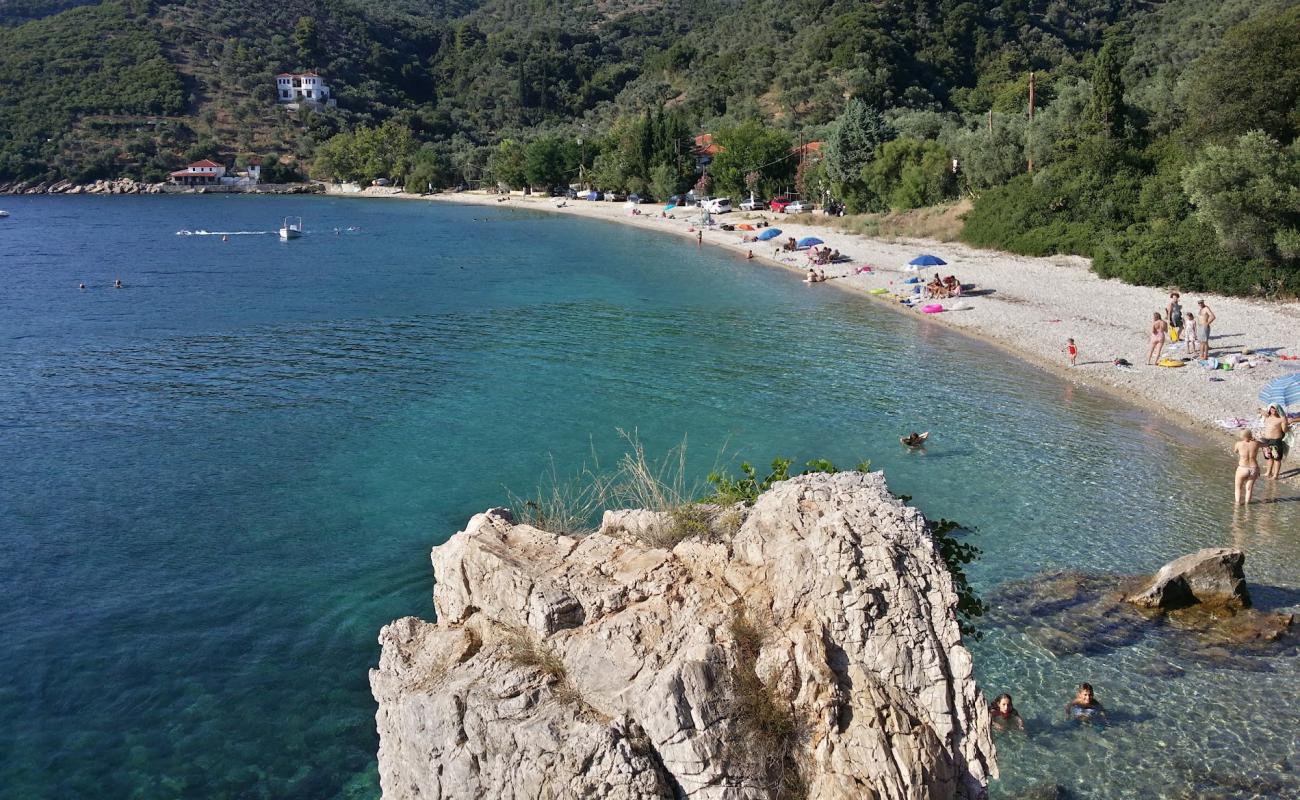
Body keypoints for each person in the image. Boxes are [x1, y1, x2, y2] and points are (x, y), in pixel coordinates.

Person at [1260, 405, 1290, 480]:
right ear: (1269, 409)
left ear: (1279, 410)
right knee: (1269, 457)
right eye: (1272, 409)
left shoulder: (1281, 419)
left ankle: (1275, 475)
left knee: (1277, 458)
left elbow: (1285, 430)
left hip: (1276, 441)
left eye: (1276, 409)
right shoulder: (1267, 417)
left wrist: (1286, 423)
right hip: (1266, 440)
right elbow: (1259, 410)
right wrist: (1262, 411)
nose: (1274, 411)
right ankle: (1268, 472)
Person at [1233, 430, 1261, 506]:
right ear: (1251, 435)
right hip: (1253, 468)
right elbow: (1265, 444)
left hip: (1243, 468)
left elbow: (1235, 451)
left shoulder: (1238, 444)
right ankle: (1247, 505)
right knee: (1249, 488)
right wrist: (1254, 439)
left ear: (1242, 436)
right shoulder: (1256, 443)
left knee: (1238, 487)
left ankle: (1237, 505)